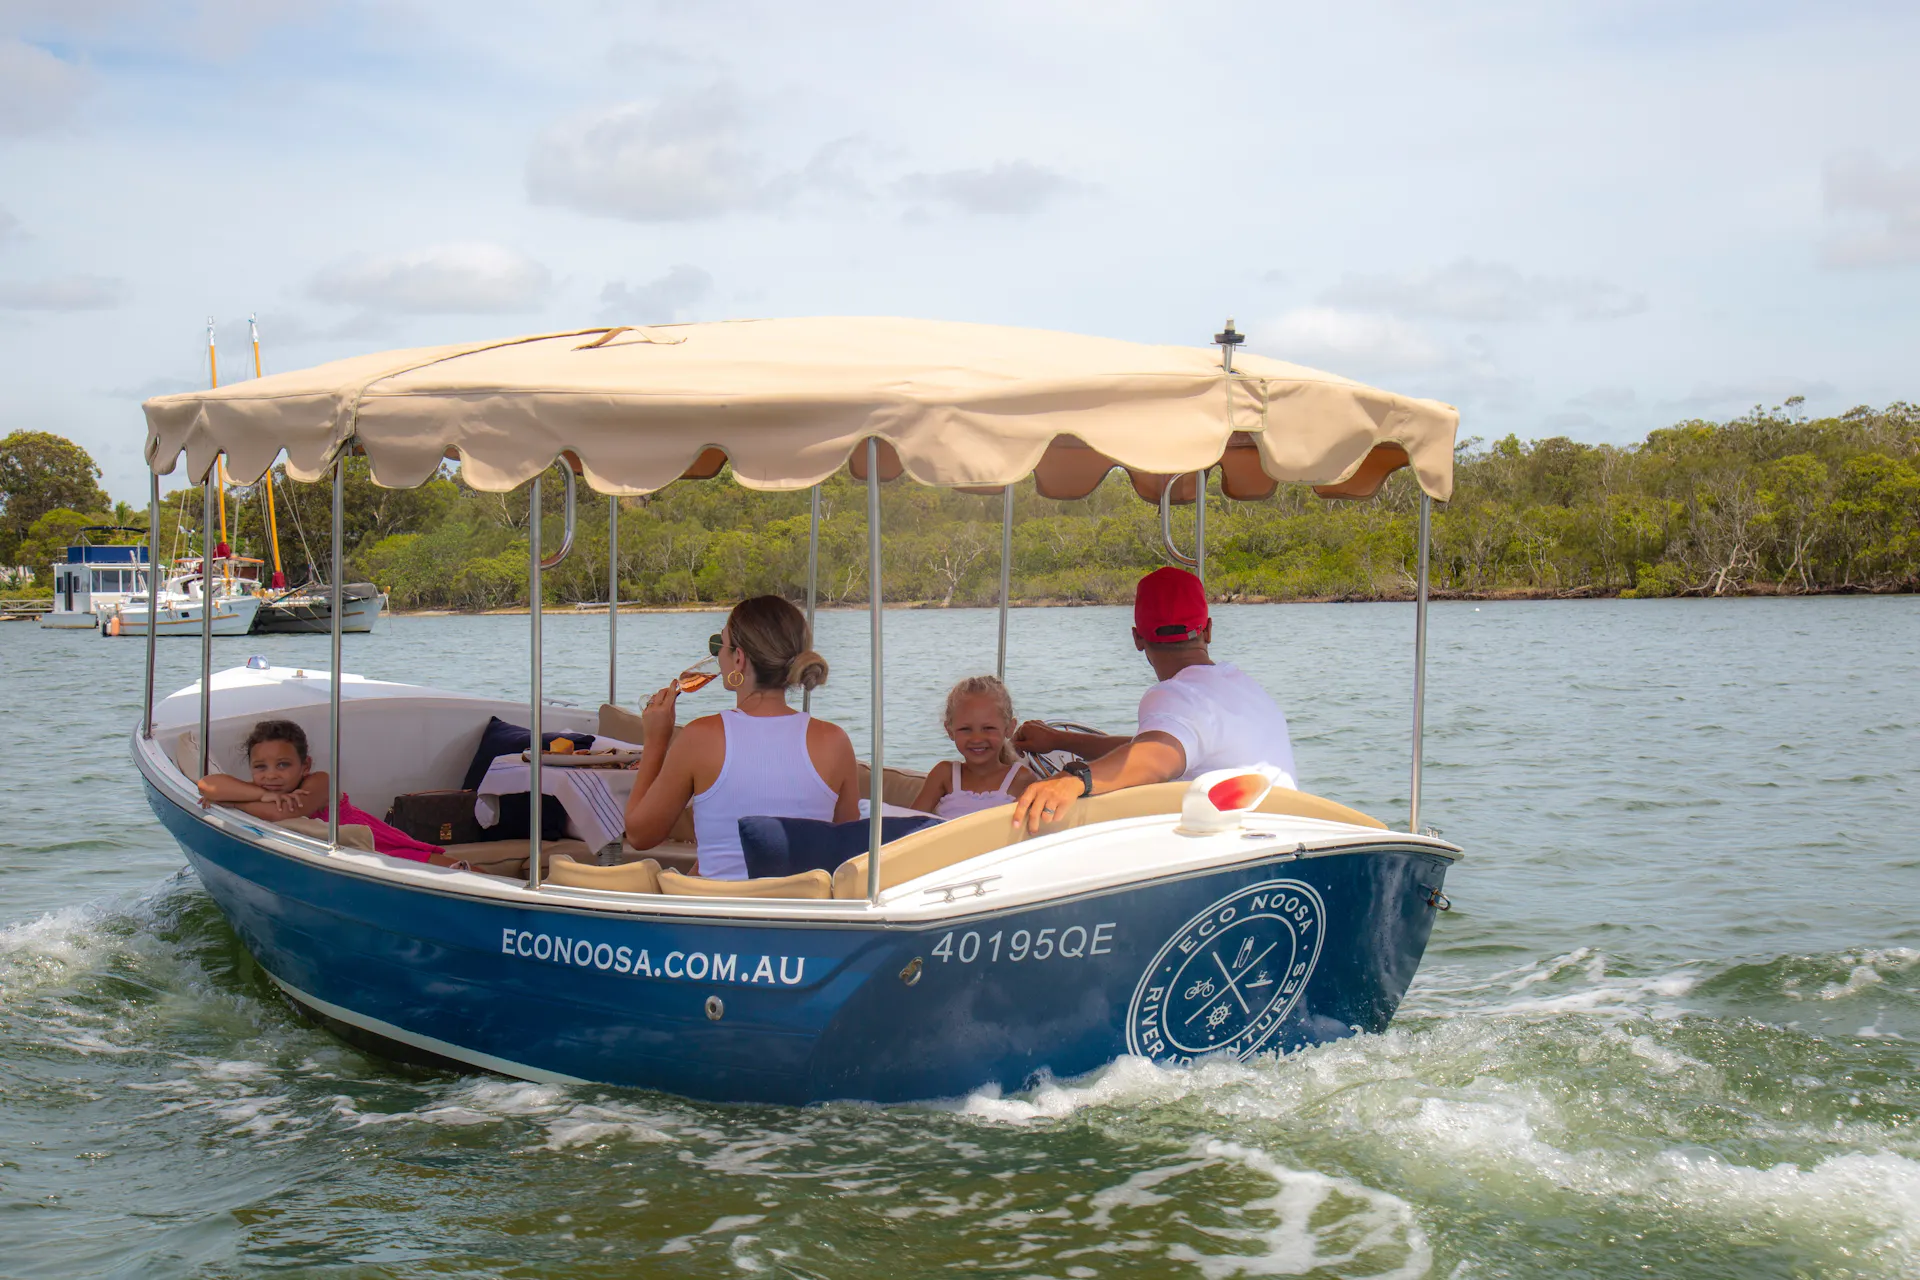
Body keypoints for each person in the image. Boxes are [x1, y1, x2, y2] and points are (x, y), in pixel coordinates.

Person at [1010, 566, 1296, 833]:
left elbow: (1154, 761)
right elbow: (1154, 747)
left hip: (1236, 841)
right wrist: (1060, 740)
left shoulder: (1175, 694)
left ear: (1137, 639)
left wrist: (1073, 780)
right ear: (1208, 630)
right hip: (1292, 828)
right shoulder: (1244, 686)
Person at [623, 595, 862, 879]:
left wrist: (655, 742)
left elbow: (639, 834)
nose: (716, 656)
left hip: (717, 915)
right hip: (800, 914)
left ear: (739, 658)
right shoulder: (835, 742)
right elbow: (846, 848)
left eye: (718, 645)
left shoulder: (700, 738)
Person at [197, 720, 459, 865]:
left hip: (370, 843)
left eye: (283, 765)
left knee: (454, 871)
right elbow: (207, 784)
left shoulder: (320, 782)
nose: (271, 775)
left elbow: (284, 812)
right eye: (260, 767)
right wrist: (260, 795)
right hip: (339, 854)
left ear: (305, 766)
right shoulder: (263, 791)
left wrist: (233, 801)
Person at [910, 675, 1034, 819]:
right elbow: (909, 825)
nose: (976, 739)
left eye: (988, 728)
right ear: (950, 731)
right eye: (965, 729)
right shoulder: (944, 774)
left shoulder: (1021, 778)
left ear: (1009, 728)